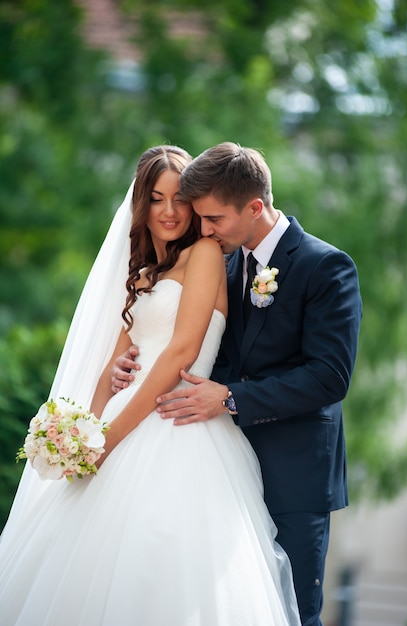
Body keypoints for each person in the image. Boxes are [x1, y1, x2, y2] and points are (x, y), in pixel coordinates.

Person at [0, 145, 301, 626]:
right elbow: (114, 365)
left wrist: (109, 439)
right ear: (141, 203)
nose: (168, 211)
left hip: (174, 426)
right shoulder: (143, 275)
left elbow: (182, 353)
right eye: (156, 198)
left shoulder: (204, 254)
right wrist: (84, 433)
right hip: (122, 424)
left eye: (179, 199)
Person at [112, 142, 362, 626]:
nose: (203, 229)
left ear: (254, 207)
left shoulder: (325, 266)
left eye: (214, 219)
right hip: (216, 465)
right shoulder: (222, 264)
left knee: (288, 611)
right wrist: (134, 361)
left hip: (293, 473)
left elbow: (330, 376)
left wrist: (229, 397)